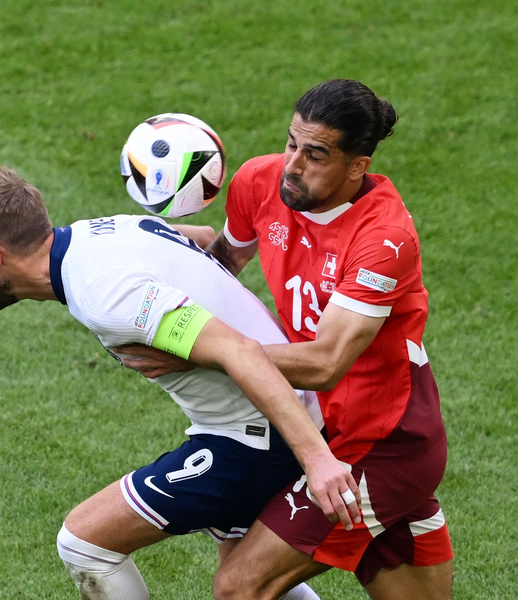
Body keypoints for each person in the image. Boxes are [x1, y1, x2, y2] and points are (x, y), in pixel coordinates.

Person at [0, 166, 361, 600]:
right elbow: (197, 235)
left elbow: (241, 352)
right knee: (247, 581)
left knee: (84, 543)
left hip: (259, 437)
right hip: (267, 417)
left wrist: (318, 461)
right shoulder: (103, 231)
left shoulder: (106, 293)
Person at [121, 79, 454, 599]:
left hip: (383, 444)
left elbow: (325, 363)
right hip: (316, 425)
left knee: (240, 586)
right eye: (292, 143)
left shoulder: (383, 240)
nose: (293, 164)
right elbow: (224, 266)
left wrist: (198, 355)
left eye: (315, 154)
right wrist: (152, 244)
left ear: (357, 166)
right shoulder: (260, 182)